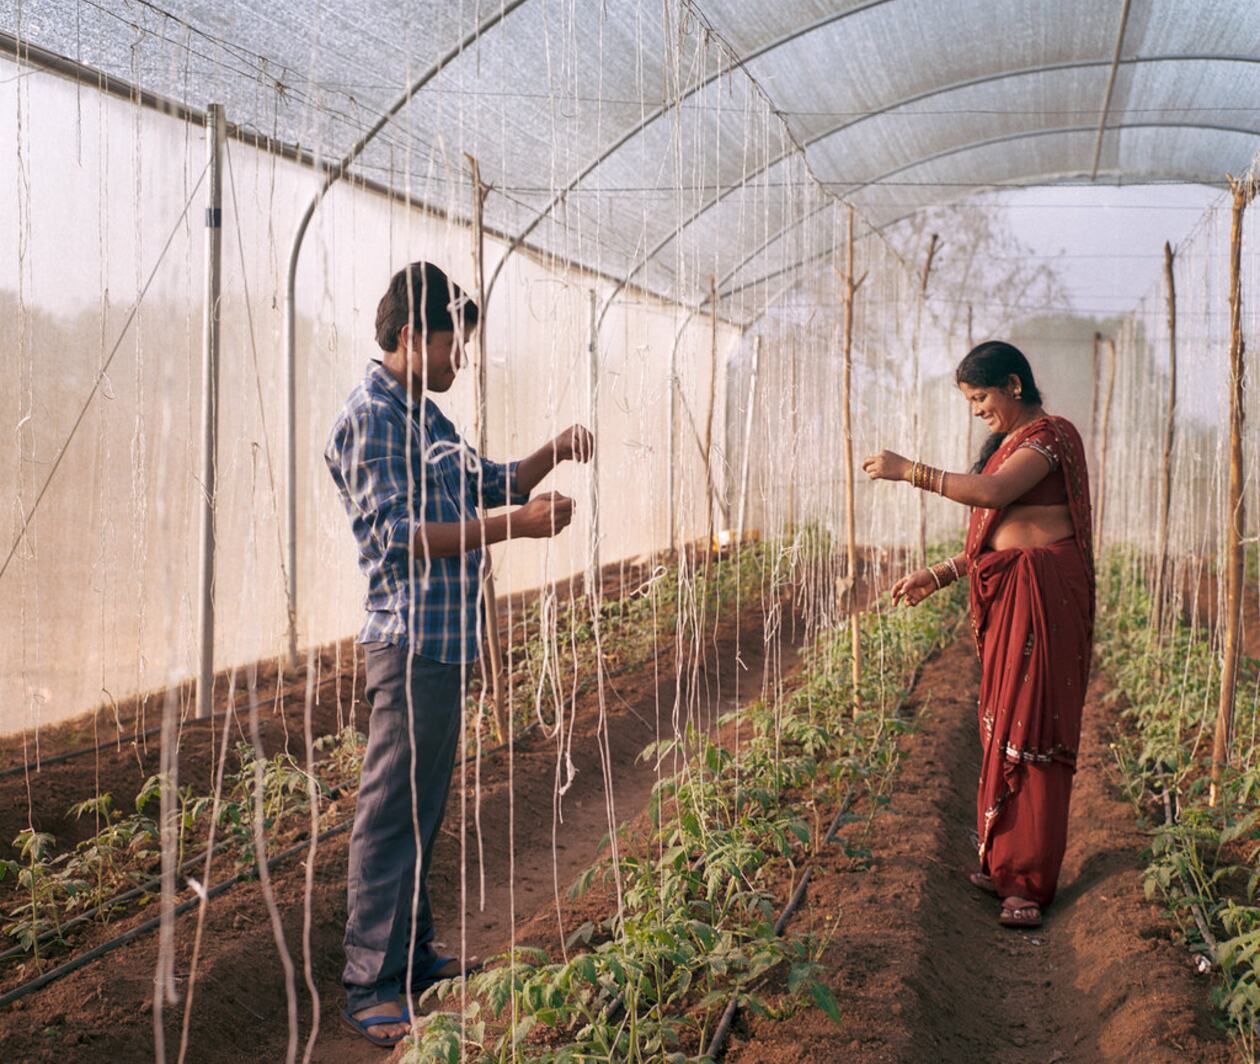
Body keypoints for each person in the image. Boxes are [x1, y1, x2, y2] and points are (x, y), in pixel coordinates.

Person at [325, 261, 594, 1046]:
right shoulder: (371, 417)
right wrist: (519, 526)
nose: (457, 362)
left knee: (422, 806)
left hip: (444, 645)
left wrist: (553, 453)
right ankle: (370, 982)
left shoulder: (423, 417)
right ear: (411, 336)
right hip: (407, 644)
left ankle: (410, 957)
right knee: (390, 813)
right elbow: (397, 539)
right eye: (451, 346)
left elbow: (486, 481)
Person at [861, 340, 1093, 930]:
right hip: (1015, 590)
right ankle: (1003, 857)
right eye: (969, 400)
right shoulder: (1009, 445)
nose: (976, 409)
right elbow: (991, 537)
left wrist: (908, 470)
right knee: (1003, 725)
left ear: (1013, 384)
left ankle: (1029, 883)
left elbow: (990, 496)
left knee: (1033, 729)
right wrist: (937, 576)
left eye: (980, 396)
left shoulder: (1051, 436)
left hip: (1044, 597)